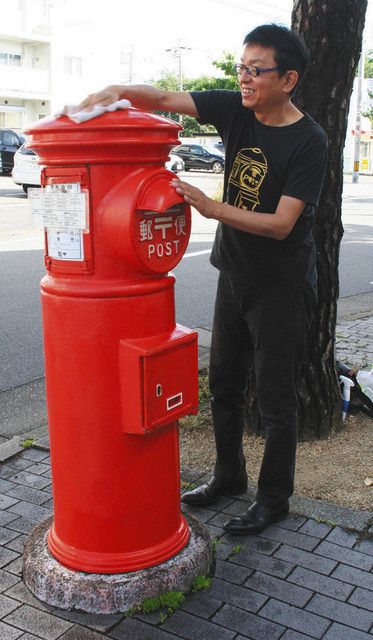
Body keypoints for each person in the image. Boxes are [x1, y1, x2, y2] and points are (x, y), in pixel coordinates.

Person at [74, 23, 328, 535]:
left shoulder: (309, 140)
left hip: (280, 287)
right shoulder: (239, 108)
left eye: (257, 70)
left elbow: (281, 225)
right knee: (225, 385)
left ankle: (274, 498)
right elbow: (167, 95)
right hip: (232, 274)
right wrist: (120, 90)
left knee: (276, 401)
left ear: (289, 79)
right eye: (241, 68)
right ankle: (228, 477)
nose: (245, 79)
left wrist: (212, 207)